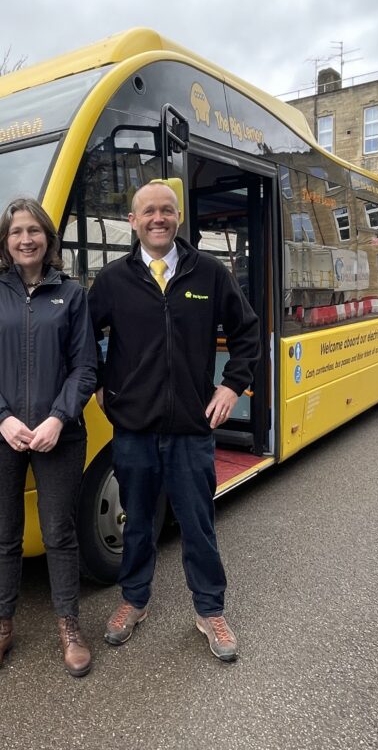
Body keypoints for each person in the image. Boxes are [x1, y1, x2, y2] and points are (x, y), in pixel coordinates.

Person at [87, 180, 260, 662]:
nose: (157, 218)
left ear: (178, 218)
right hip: (134, 429)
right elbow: (82, 338)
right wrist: (100, 385)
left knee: (198, 524)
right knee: (137, 522)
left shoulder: (208, 274)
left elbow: (247, 332)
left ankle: (210, 610)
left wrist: (232, 386)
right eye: (148, 212)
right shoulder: (113, 281)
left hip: (190, 428)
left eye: (166, 210)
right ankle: (133, 600)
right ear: (133, 221)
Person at [0, 197, 98, 679]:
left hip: (60, 434)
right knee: (4, 537)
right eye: (17, 231)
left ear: (47, 238)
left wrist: (59, 418)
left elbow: (85, 368)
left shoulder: (73, 295)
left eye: (34, 230)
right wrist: (1, 419)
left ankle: (69, 626)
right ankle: (1, 628)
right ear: (5, 240)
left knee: (60, 532)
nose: (26, 239)